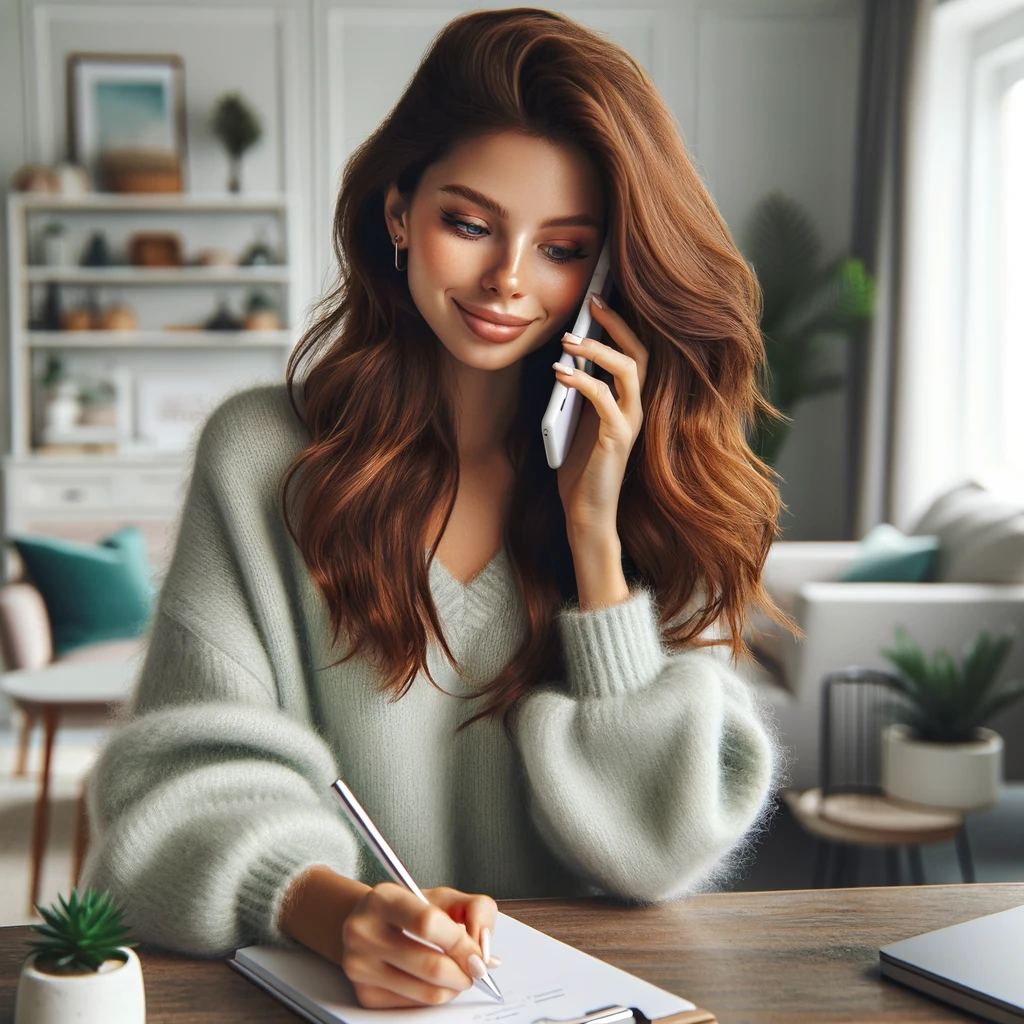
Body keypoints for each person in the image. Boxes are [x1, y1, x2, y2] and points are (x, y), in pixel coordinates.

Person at [80, 6, 799, 1009]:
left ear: (602, 270)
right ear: (397, 214)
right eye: (470, 224)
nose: (508, 279)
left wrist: (595, 535)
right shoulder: (263, 458)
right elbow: (169, 797)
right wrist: (336, 912)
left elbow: (658, 845)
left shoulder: (652, 477)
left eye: (561, 247)